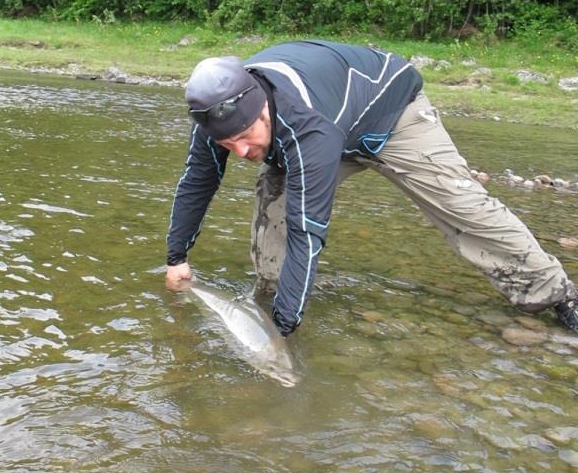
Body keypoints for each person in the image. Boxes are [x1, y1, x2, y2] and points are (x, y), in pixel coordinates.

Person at [165, 40, 578, 336]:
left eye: (245, 136)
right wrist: (177, 257)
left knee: (464, 206)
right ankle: (272, 295)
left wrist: (284, 335)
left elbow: (308, 229)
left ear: (262, 107)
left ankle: (555, 293)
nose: (238, 151)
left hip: (392, 117)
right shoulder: (215, 118)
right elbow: (197, 183)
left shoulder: (306, 126)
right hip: (324, 124)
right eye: (226, 144)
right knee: (274, 207)